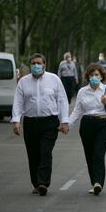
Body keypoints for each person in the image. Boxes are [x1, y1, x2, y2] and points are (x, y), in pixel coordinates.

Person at [12, 53, 69, 196]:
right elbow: (18, 102)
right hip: (31, 122)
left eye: (39, 63)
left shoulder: (54, 79)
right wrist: (16, 120)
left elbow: (62, 100)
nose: (36, 66)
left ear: (44, 64)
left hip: (49, 122)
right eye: (33, 63)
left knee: (45, 151)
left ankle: (43, 182)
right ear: (30, 65)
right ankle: (36, 184)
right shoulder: (23, 82)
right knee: (33, 154)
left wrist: (64, 121)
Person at [68, 63, 106, 195]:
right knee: (89, 155)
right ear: (88, 77)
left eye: (97, 75)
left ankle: (98, 183)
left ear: (102, 76)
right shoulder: (82, 91)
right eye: (91, 75)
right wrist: (67, 124)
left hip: (102, 124)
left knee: (98, 154)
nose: (94, 77)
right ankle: (94, 182)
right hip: (86, 125)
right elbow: (77, 111)